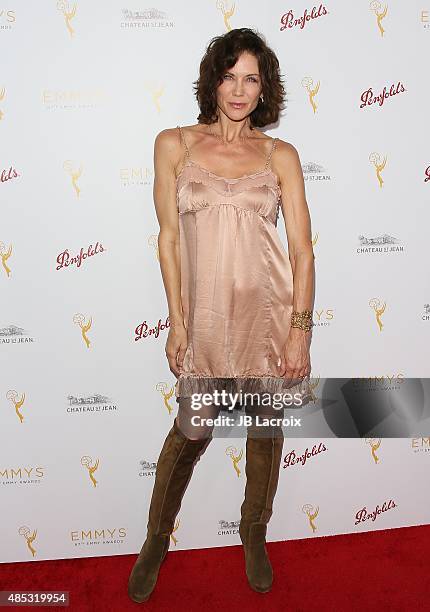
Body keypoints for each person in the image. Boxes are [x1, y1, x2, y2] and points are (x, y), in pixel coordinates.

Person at [128, 27, 315, 603]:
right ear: (213, 79)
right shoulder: (174, 145)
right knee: (192, 429)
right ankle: (156, 539)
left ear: (265, 89)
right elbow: (167, 240)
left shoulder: (279, 155)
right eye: (230, 75)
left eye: (251, 78)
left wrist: (299, 331)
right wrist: (177, 322)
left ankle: (253, 534)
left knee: (265, 429)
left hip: (266, 316)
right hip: (204, 319)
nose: (239, 89)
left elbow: (303, 250)